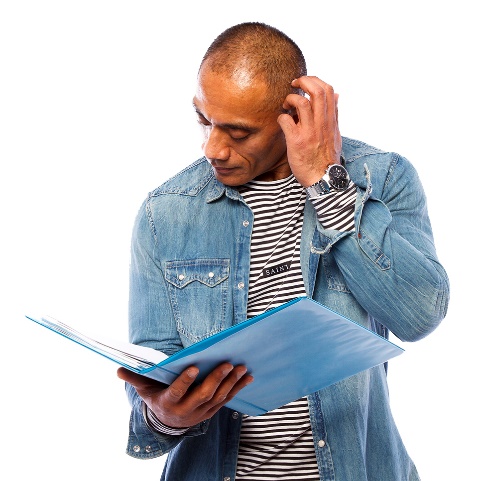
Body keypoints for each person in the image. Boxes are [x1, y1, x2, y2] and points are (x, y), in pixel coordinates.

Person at [117, 22, 450, 481]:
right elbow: (149, 386)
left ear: (294, 115)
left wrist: (324, 178)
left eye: (238, 132)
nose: (212, 147)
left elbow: (419, 316)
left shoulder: (382, 179)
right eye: (204, 119)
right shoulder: (167, 212)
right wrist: (166, 416)